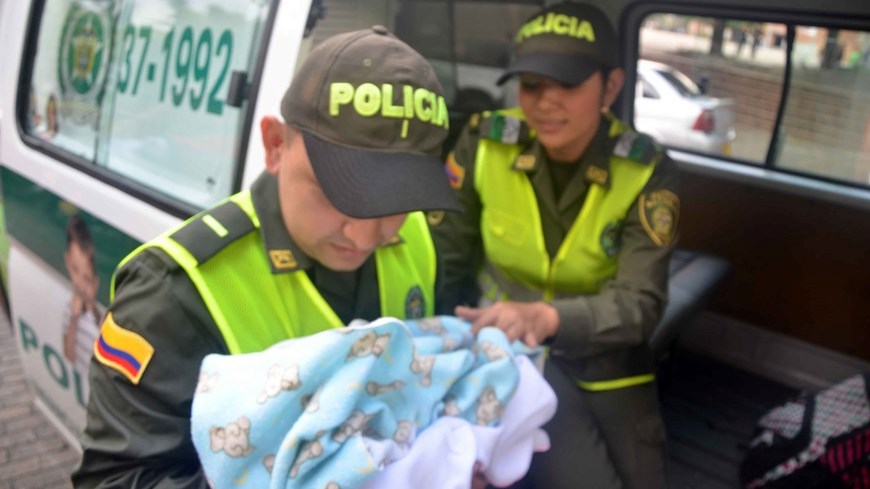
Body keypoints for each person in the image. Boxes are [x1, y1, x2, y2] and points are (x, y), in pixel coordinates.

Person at [72, 26, 460, 488]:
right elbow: (114, 480)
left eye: (397, 200)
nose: (365, 232)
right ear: (276, 145)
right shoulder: (175, 291)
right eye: (339, 193)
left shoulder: (415, 236)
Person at [430, 3, 680, 488]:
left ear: (610, 87)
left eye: (568, 85)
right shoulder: (486, 142)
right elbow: (444, 258)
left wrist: (546, 317)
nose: (546, 102)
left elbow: (640, 305)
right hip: (496, 344)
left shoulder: (647, 170)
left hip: (604, 361)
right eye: (532, 86)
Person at [62, 214, 103, 374]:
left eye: (86, 277)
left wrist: (92, 307)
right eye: (74, 270)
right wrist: (74, 318)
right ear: (67, 263)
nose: (79, 282)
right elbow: (69, 356)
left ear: (96, 281)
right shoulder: (70, 310)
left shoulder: (100, 316)